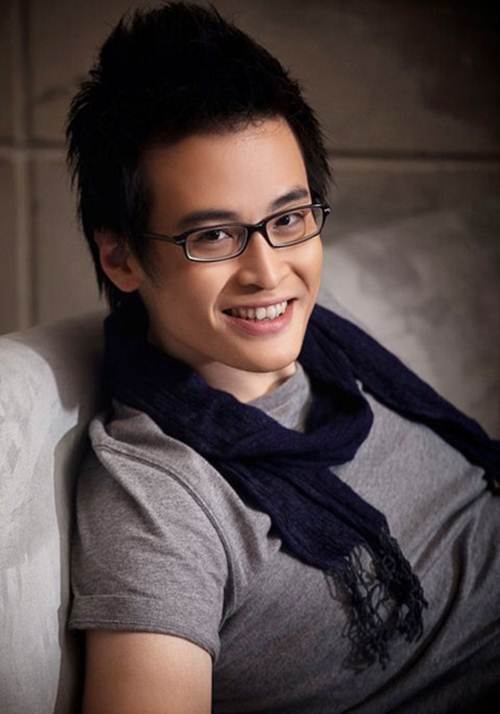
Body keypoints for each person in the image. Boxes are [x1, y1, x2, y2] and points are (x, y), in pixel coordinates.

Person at [65, 2, 500, 712]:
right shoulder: (159, 502)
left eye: (289, 219)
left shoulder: (334, 347)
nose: (269, 273)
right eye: (213, 236)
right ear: (121, 257)